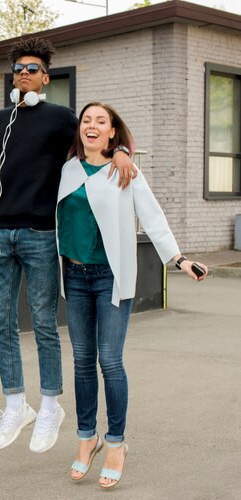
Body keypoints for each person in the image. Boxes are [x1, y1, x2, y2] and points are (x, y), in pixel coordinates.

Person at [0, 38, 135, 452]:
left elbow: (96, 137)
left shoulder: (60, 117)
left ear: (45, 77)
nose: (24, 73)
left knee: (44, 322)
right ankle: (16, 403)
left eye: (32, 68)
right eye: (18, 68)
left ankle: (51, 405)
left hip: (40, 235)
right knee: (2, 323)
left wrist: (121, 150)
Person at [57, 102, 207, 488]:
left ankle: (116, 443)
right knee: (82, 360)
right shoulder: (67, 169)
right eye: (86, 121)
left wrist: (178, 259)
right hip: (73, 275)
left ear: (112, 132)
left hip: (111, 277)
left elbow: (152, 215)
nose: (92, 126)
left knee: (109, 359)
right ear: (80, 131)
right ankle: (86, 437)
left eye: (100, 122)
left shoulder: (124, 169)